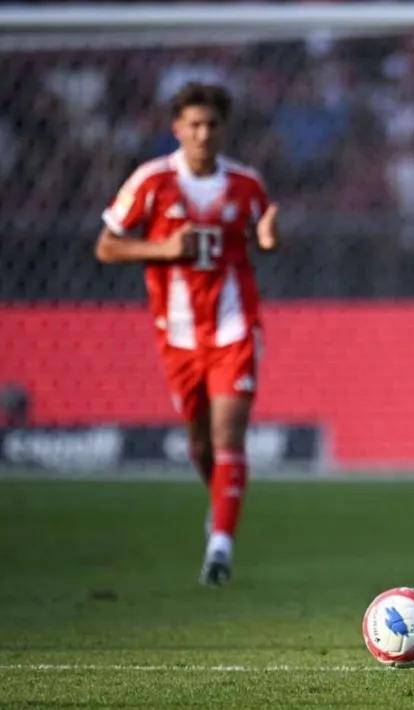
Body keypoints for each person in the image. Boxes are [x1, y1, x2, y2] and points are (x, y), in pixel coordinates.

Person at [95, 82, 279, 587]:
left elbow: (264, 234)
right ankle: (219, 502)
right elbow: (107, 246)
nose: (202, 134)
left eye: (211, 125)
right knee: (200, 444)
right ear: (177, 129)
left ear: (224, 129)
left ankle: (220, 546)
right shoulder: (151, 181)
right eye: (193, 125)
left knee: (228, 434)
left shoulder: (246, 184)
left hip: (234, 326)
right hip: (177, 334)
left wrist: (269, 239)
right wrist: (162, 250)